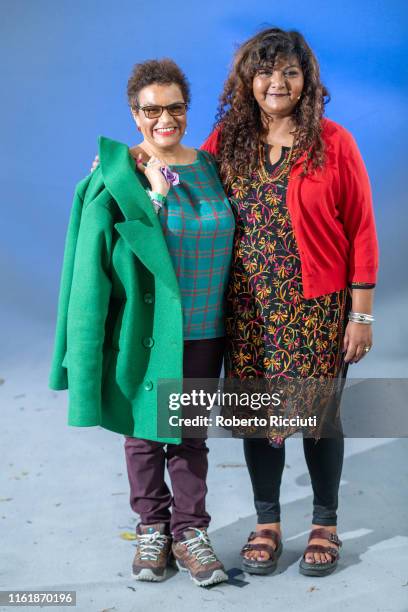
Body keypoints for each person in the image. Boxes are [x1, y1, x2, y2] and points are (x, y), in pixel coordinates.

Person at [49, 58, 235, 587]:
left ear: (186, 109)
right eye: (151, 110)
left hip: (203, 327)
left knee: (191, 437)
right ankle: (153, 527)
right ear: (134, 113)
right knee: (144, 435)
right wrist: (152, 190)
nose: (164, 119)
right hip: (147, 329)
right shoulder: (118, 175)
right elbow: (117, 250)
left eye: (174, 107)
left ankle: (190, 531)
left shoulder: (212, 164)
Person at [201, 27, 378, 577]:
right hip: (248, 310)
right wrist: (132, 167)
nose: (277, 82)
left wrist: (362, 312)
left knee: (319, 417)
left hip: (316, 307)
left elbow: (363, 229)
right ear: (247, 79)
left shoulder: (335, 142)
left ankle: (325, 522)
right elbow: (180, 178)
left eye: (290, 72)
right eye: (265, 71)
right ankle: (268, 521)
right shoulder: (226, 141)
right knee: (259, 417)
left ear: (307, 80)